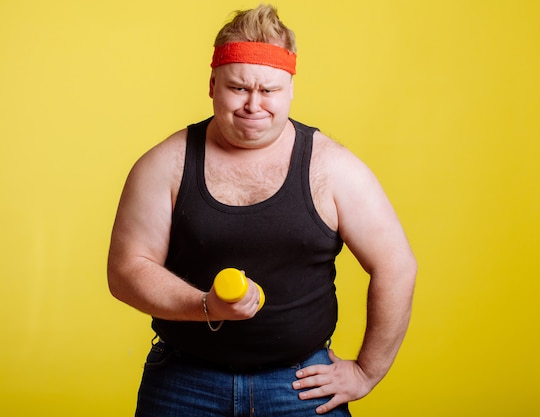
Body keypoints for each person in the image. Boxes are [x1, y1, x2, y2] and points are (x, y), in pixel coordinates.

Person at [107, 4, 416, 416]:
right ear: (213, 84)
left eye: (268, 91)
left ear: (290, 89)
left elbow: (396, 266)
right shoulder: (165, 164)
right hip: (184, 384)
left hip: (300, 388)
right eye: (238, 88)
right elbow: (127, 270)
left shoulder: (335, 169)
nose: (254, 104)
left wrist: (365, 373)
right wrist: (207, 305)